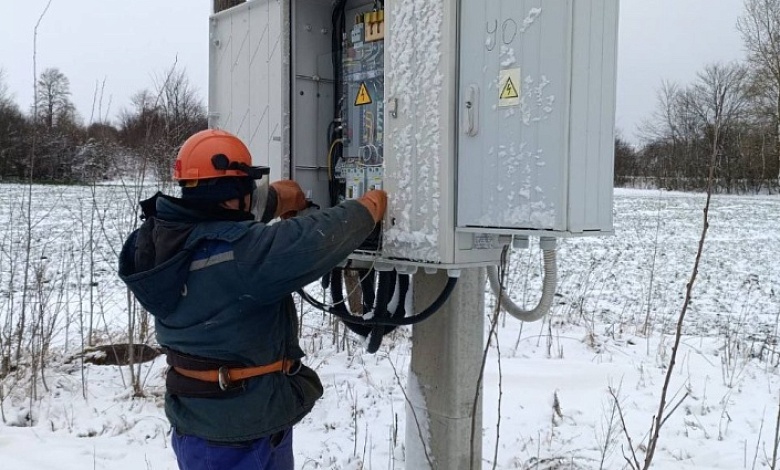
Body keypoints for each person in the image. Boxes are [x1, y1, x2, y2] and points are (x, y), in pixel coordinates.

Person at [118, 129, 386, 469]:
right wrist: (369, 206)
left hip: (220, 422)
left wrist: (276, 199)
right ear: (235, 195)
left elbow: (224, 222)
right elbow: (312, 238)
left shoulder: (164, 240)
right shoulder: (244, 256)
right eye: (247, 189)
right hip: (234, 432)